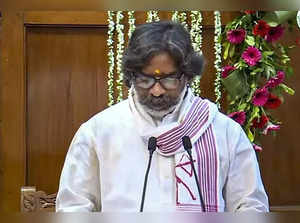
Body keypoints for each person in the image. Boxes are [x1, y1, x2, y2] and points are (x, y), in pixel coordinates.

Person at [56, 21, 269, 212]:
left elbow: (250, 206)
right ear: (131, 75)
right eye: (145, 79)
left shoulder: (225, 132)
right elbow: (73, 207)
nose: (156, 91)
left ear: (187, 75)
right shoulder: (98, 132)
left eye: (168, 79)